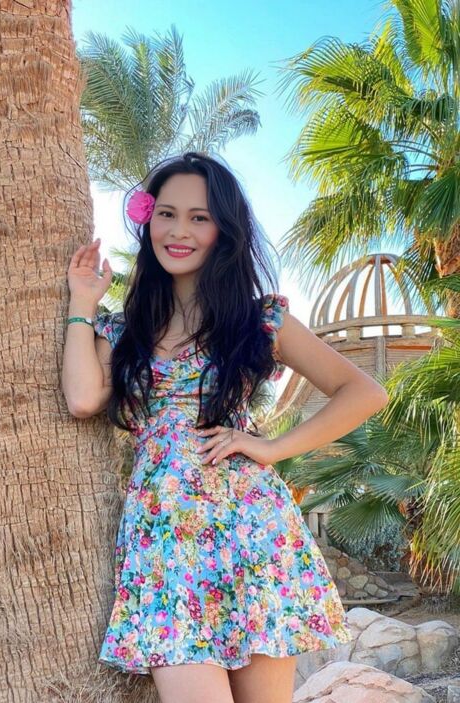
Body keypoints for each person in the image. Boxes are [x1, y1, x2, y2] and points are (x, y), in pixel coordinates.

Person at [62, 152, 389, 703]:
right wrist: (82, 302)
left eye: (200, 217)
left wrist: (271, 447)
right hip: (164, 539)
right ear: (148, 220)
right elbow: (82, 398)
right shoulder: (123, 328)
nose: (179, 231)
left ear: (224, 230)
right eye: (167, 214)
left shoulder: (260, 320)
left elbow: (364, 392)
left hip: (252, 529)